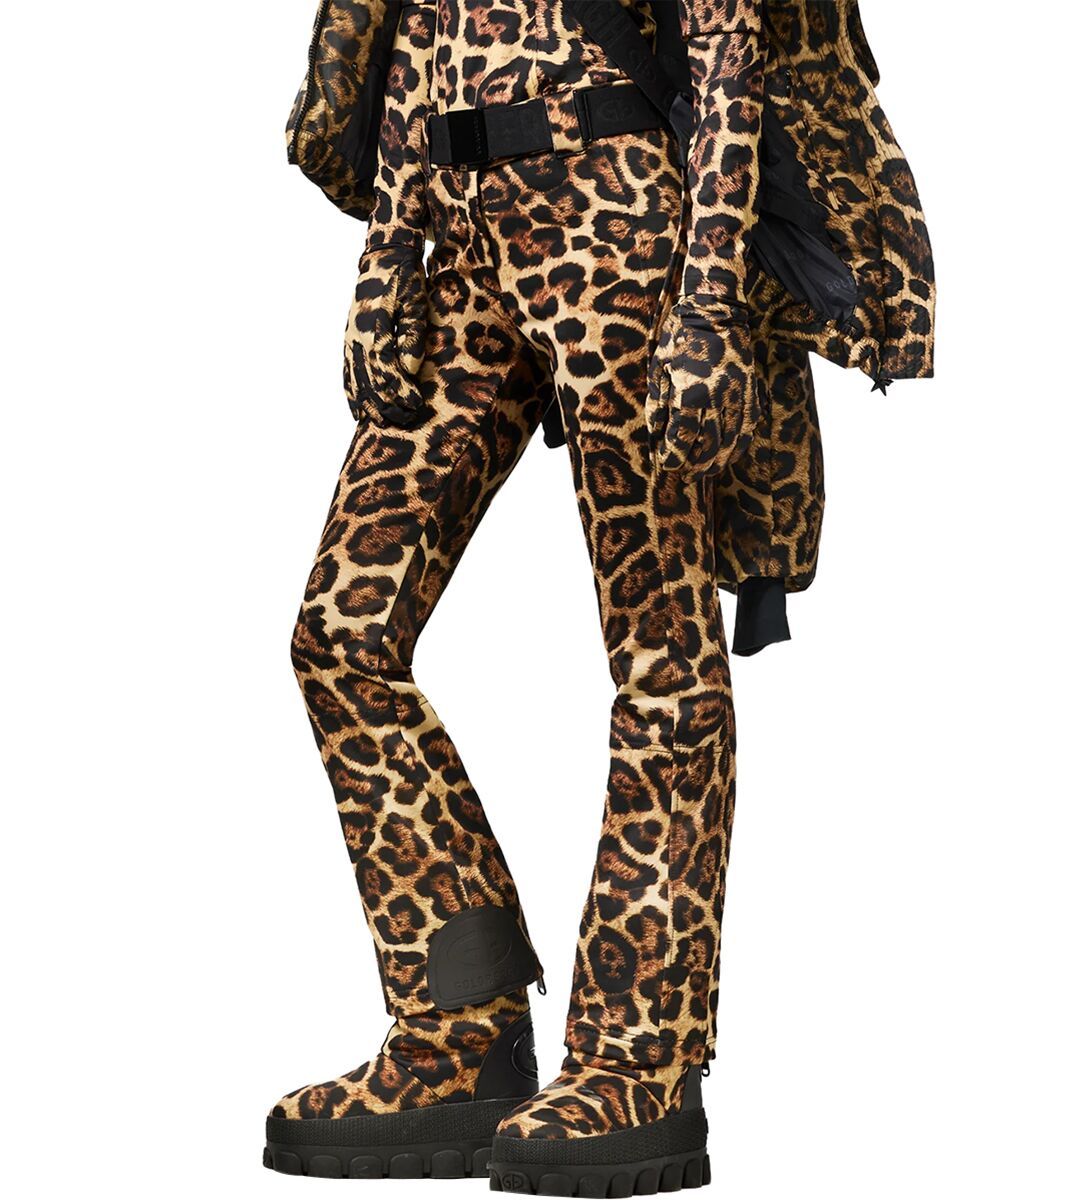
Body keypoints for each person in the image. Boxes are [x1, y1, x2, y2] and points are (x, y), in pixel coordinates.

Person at [264, 1, 765, 1191]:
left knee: (662, 657)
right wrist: (386, 256)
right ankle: (460, 1027)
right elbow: (414, 37)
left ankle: (642, 1058)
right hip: (458, 240)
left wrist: (710, 301)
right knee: (340, 635)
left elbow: (728, 48)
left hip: (619, 221)